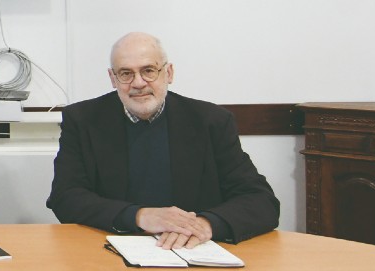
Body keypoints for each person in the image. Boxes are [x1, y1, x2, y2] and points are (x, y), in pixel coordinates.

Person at [47, 32, 279, 249]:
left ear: (169, 73)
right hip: (109, 250)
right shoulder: (83, 120)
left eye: (149, 70)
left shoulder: (211, 121)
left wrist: (204, 225)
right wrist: (139, 216)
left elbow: (261, 201)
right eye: (126, 73)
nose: (138, 83)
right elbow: (65, 197)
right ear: (113, 78)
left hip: (190, 251)